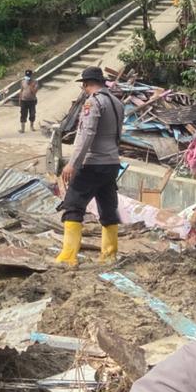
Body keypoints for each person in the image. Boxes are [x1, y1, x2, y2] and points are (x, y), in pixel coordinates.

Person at [55, 67, 123, 267]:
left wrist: (72, 164)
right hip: (112, 163)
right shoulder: (117, 103)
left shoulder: (93, 102)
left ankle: (68, 257)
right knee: (108, 208)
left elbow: (86, 134)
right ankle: (109, 255)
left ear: (86, 85)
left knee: (73, 206)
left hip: (93, 163)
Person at [18, 69, 38, 133]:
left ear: (31, 75)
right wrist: (20, 99)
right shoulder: (23, 81)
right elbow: (21, 90)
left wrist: (30, 85)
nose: (28, 77)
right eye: (27, 75)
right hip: (24, 100)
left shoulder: (35, 82)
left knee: (32, 114)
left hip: (32, 100)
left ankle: (31, 126)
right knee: (23, 114)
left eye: (29, 75)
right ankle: (22, 128)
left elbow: (34, 92)